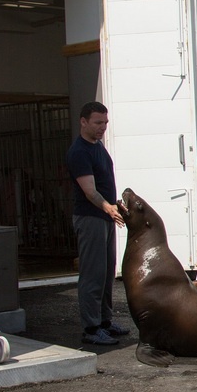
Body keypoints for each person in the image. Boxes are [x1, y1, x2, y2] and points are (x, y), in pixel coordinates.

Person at [67, 102, 128, 345]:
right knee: (92, 274)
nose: (102, 127)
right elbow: (90, 192)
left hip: (103, 217)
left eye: (105, 123)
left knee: (106, 273)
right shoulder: (79, 151)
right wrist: (108, 208)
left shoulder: (98, 147)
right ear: (83, 121)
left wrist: (114, 207)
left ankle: (104, 321)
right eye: (97, 123)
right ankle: (91, 329)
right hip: (90, 218)